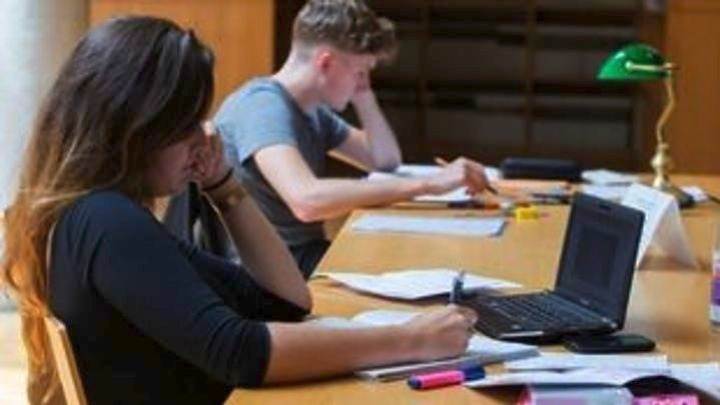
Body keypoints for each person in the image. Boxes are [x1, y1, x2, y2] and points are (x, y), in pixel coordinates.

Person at [0, 16, 477, 404]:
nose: (201, 137)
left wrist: (223, 185)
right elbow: (240, 352)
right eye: (187, 124)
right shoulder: (108, 222)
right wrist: (408, 340)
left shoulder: (106, 215)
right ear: (139, 127)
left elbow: (287, 302)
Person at [214, 0, 491, 276]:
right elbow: (306, 201)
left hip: (299, 258)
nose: (362, 80)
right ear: (326, 62)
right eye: (360, 72)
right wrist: (428, 184)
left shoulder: (311, 111)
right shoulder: (263, 108)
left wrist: (363, 96)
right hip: (269, 273)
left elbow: (384, 160)